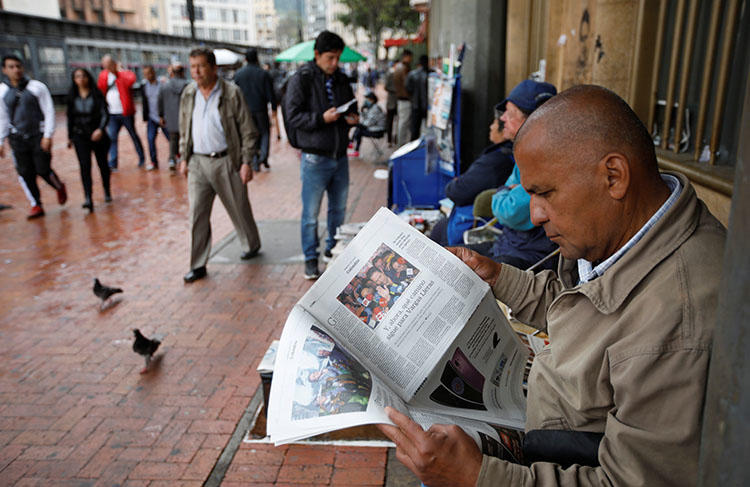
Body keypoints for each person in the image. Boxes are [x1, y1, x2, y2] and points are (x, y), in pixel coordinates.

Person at [378, 84, 727, 487]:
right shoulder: (622, 232)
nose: (536, 214)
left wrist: (480, 476)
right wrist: (499, 278)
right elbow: (581, 308)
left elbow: (630, 481)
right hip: (544, 429)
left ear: (613, 176)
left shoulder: (679, 323)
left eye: (544, 193)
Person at [178, 48, 262, 283]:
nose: (196, 72)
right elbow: (185, 127)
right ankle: (198, 264)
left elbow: (248, 130)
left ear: (214, 68)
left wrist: (246, 162)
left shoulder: (231, 93)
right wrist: (184, 157)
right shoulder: (188, 94)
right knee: (197, 214)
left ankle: (251, 244)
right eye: (192, 66)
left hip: (227, 161)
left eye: (201, 66)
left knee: (238, 206)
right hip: (197, 162)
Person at [283, 30, 359, 280]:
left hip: (340, 156)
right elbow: (293, 116)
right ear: (316, 55)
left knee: (338, 209)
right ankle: (310, 258)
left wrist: (352, 119)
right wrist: (320, 118)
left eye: (338, 58)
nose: (335, 63)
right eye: (330, 58)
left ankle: (331, 251)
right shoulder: (302, 79)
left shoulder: (341, 79)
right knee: (311, 214)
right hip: (315, 157)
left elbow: (351, 106)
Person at [466, 80, 558, 271]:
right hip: (508, 245)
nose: (503, 119)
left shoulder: (545, 159)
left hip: (528, 256)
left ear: (532, 120)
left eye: (510, 113)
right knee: (446, 255)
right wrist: (506, 191)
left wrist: (505, 192)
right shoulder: (524, 153)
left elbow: (508, 209)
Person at [428, 104, 514, 246]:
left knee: (439, 231)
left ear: (505, 128)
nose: (491, 127)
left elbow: (459, 190)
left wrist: (456, 184)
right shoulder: (504, 155)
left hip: (475, 226)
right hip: (486, 222)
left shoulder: (496, 161)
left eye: (494, 122)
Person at [0, 54, 67, 219]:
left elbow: (49, 111)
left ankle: (58, 186)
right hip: (17, 138)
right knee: (25, 172)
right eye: (11, 67)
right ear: (4, 70)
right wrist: (1, 140)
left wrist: (48, 135)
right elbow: (3, 117)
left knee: (43, 169)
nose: (16, 70)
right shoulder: (2, 91)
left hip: (38, 135)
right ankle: (36, 204)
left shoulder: (37, 87)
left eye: (18, 66)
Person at [66, 68, 111, 212]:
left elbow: (105, 113)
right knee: (85, 166)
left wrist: (100, 129)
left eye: (84, 76)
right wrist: (70, 136)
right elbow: (70, 118)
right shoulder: (72, 96)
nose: (81, 79)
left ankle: (107, 189)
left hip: (97, 135)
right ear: (74, 79)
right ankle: (88, 197)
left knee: (102, 164)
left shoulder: (97, 95)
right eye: (78, 76)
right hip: (80, 136)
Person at [97, 54, 145, 170]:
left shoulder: (123, 74)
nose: (107, 67)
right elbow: (100, 88)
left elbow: (131, 80)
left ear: (114, 64)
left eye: (109, 65)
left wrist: (119, 70)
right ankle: (113, 163)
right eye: (105, 65)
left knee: (133, 136)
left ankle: (142, 158)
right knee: (112, 138)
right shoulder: (104, 75)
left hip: (126, 113)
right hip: (112, 114)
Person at [233, 48, 277, 171]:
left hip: (245, 111)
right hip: (261, 108)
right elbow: (270, 93)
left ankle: (255, 160)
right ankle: (263, 157)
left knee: (251, 134)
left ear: (245, 59)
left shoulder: (239, 74)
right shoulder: (263, 73)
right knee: (265, 133)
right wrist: (273, 108)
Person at [158, 63, 188, 171]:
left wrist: (161, 115)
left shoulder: (165, 86)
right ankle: (184, 158)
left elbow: (160, 101)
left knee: (173, 139)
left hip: (170, 117)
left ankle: (172, 159)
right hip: (185, 117)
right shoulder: (187, 85)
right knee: (186, 138)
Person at [140, 65, 169, 171]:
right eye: (145, 74)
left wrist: (164, 116)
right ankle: (153, 161)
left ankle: (177, 156)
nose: (148, 76)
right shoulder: (144, 86)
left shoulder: (162, 85)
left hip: (163, 117)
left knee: (171, 138)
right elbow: (145, 102)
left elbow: (166, 101)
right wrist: (145, 117)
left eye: (149, 73)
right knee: (150, 139)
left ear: (154, 72)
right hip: (152, 118)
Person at [348, 92, 385, 158]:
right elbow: (365, 120)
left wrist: (358, 124)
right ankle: (352, 144)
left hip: (378, 130)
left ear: (372, 100)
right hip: (373, 127)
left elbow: (368, 123)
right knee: (359, 128)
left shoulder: (375, 108)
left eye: (368, 99)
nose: (366, 101)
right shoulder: (371, 107)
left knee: (359, 130)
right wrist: (362, 111)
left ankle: (354, 146)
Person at [406, 54, 431, 141]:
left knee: (415, 130)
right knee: (427, 130)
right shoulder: (430, 74)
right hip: (425, 106)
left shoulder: (412, 74)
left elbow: (408, 88)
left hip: (416, 105)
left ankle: (414, 147)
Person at [393, 50, 413, 146]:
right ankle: (401, 145)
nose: (411, 59)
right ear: (406, 57)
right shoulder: (403, 68)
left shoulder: (398, 67)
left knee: (402, 123)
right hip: (405, 99)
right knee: (403, 123)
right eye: (410, 57)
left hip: (401, 99)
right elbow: (407, 85)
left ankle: (400, 144)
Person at [384, 62, 398, 146]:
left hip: (398, 102)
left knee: (397, 122)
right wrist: (395, 90)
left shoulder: (400, 74)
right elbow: (386, 87)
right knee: (390, 122)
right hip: (391, 102)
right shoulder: (390, 74)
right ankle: (389, 140)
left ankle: (396, 138)